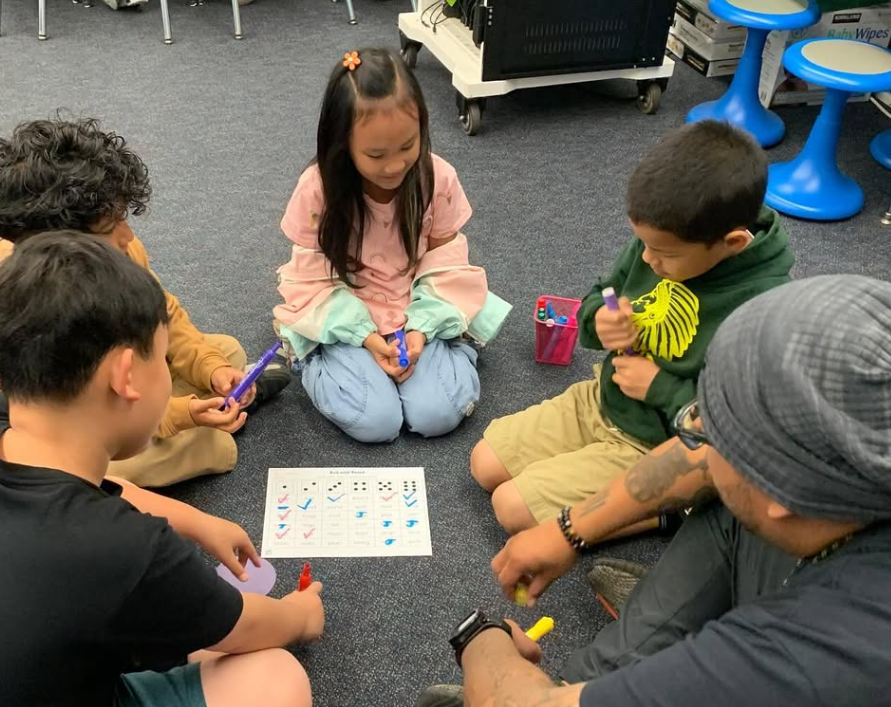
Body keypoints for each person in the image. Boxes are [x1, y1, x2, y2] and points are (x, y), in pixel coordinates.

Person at [419, 274, 891, 707]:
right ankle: (598, 677)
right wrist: (570, 528)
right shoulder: (852, 453)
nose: (690, 439)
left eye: (707, 431)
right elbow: (699, 464)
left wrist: (483, 642)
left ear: (782, 495)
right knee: (728, 500)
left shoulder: (807, 654)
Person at [0, 233, 324, 707]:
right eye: (161, 358)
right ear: (125, 375)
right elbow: (242, 627)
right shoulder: (126, 549)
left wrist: (197, 521)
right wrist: (301, 616)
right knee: (277, 677)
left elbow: (99, 485)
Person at [471, 120, 793, 534]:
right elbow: (600, 296)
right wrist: (598, 321)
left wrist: (660, 387)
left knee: (511, 509)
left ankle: (665, 508)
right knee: (484, 464)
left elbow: (734, 425)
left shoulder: (763, 309)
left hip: (656, 446)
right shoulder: (663, 235)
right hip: (602, 399)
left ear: (732, 243)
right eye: (642, 244)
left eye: (662, 253)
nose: (646, 260)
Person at [0, 116, 290, 487]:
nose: (128, 236)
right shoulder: (19, 302)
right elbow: (57, 418)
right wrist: (183, 415)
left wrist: (210, 367)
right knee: (101, 471)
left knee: (225, 351)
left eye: (122, 217)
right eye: (110, 227)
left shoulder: (119, 251)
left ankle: (207, 415)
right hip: (71, 416)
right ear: (58, 248)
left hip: (126, 380)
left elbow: (164, 314)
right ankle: (207, 436)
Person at [273, 47, 511, 443]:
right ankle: (308, 354)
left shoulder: (437, 178)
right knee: (376, 421)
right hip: (342, 310)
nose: (395, 165)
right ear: (342, 144)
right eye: (375, 154)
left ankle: (455, 345)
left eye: (407, 145)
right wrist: (364, 337)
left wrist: (421, 331)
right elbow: (312, 278)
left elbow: (446, 264)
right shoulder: (318, 189)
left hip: (416, 305)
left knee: (438, 414)